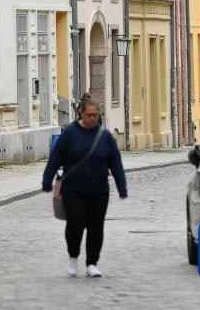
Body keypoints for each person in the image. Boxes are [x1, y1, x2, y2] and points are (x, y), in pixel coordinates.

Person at [42, 97, 127, 278]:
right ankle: (73, 257)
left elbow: (115, 162)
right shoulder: (70, 133)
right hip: (73, 189)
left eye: (96, 115)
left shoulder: (105, 136)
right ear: (81, 113)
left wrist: (122, 187)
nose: (92, 118)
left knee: (96, 227)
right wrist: (47, 180)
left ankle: (92, 263)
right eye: (89, 115)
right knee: (75, 222)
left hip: (99, 190)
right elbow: (56, 157)